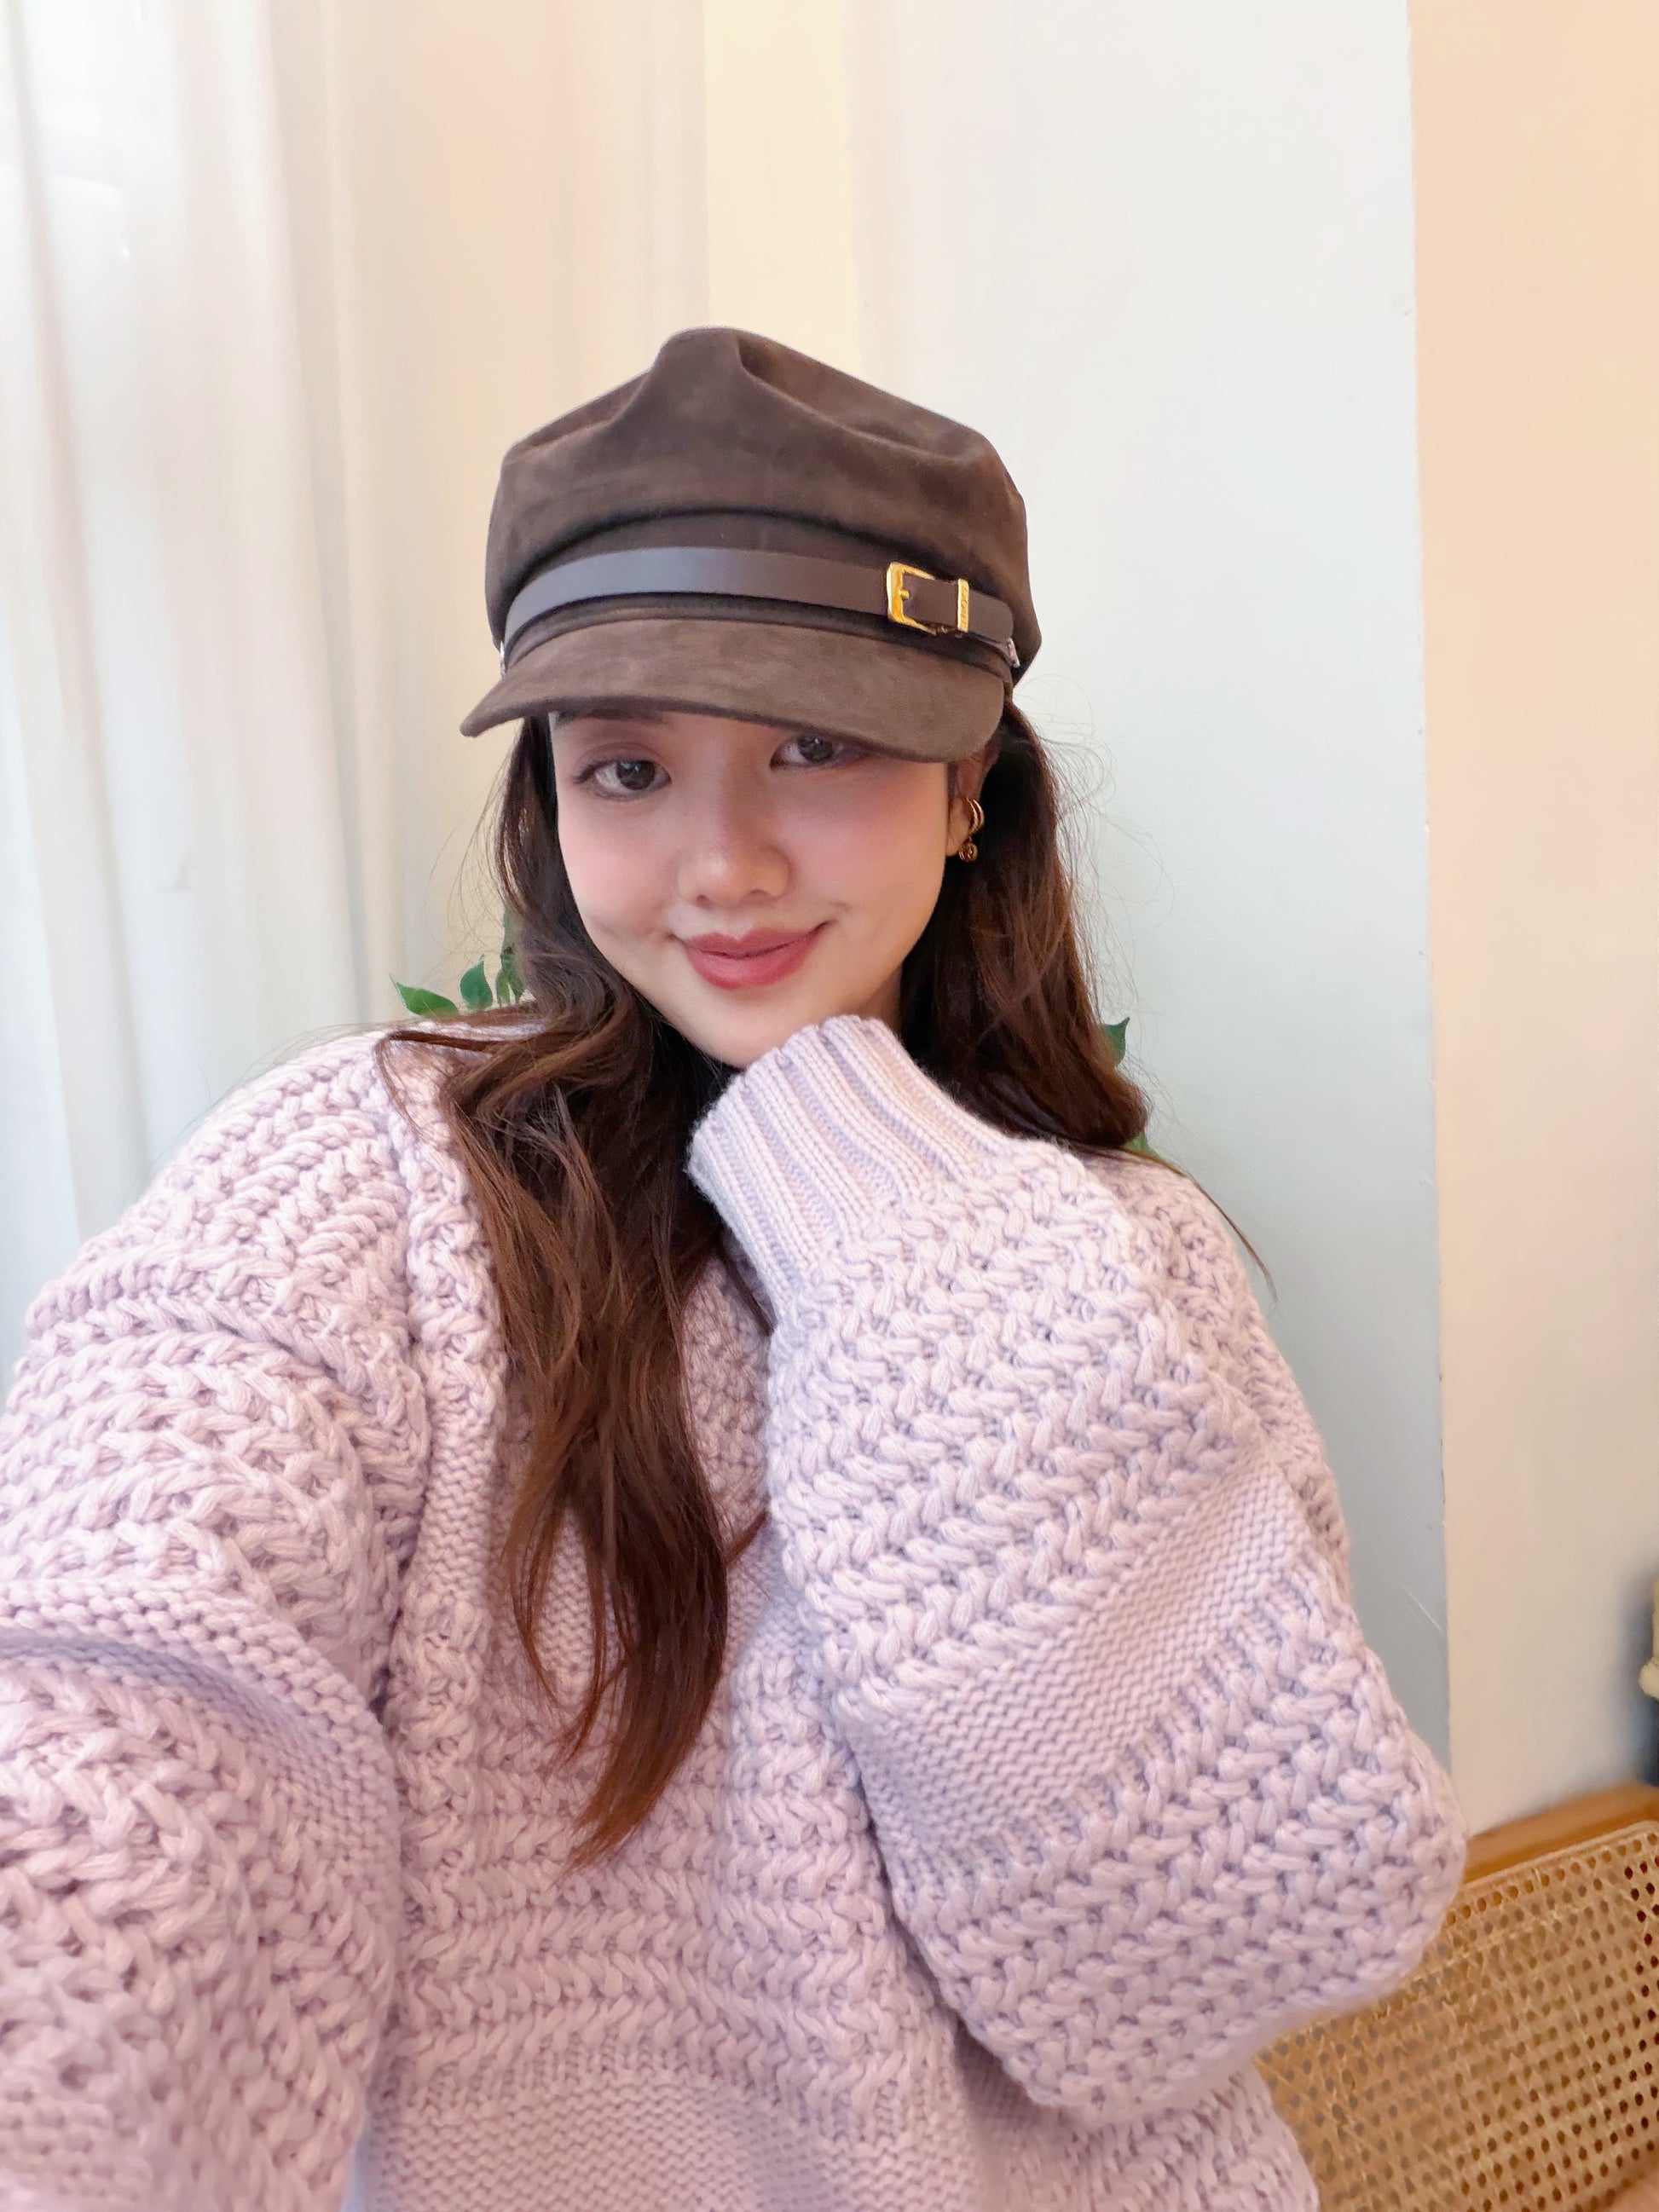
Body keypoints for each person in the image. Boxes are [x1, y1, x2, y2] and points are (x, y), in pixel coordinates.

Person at [0, 327, 1465, 2212]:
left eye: (814, 744)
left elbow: (1188, 1968)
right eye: (627, 765)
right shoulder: (358, 1184)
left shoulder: (1128, 1252)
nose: (722, 862)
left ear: (970, 785)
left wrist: (880, 1194)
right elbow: (128, 1683)